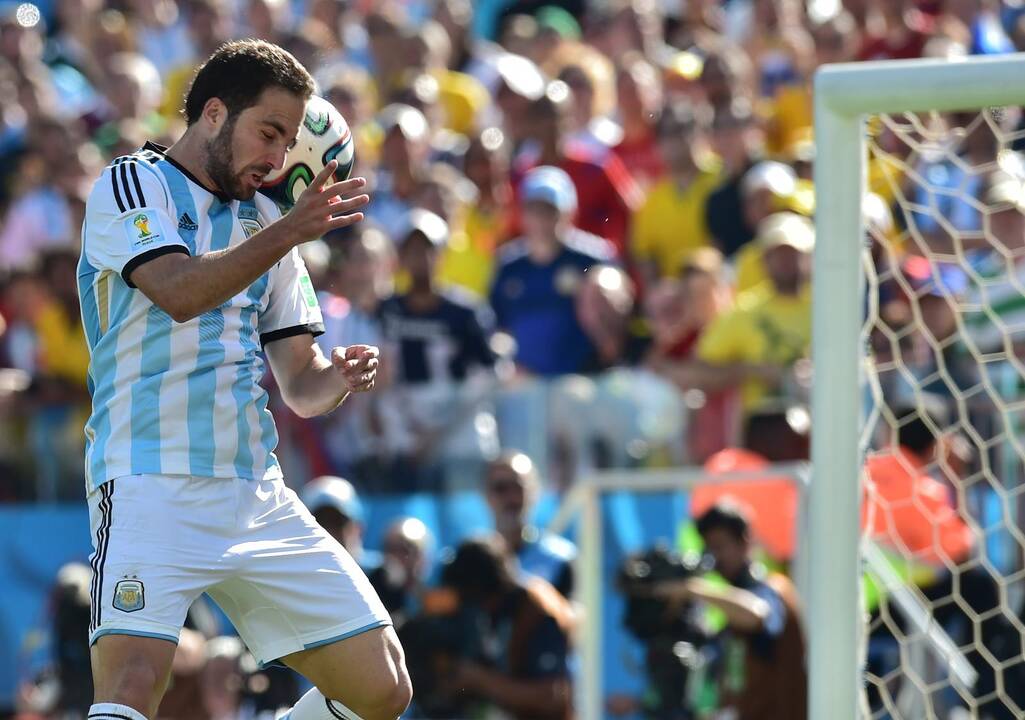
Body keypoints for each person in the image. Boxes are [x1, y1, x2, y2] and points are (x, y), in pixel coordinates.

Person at [77, 40, 410, 720]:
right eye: (269, 133)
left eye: (289, 141)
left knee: (381, 687)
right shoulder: (132, 185)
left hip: (253, 495)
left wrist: (336, 378)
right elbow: (177, 289)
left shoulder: (268, 225)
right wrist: (289, 233)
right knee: (132, 688)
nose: (279, 157)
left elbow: (301, 386)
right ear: (213, 115)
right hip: (147, 482)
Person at [376, 208, 498, 492]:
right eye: (412, 250)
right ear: (401, 258)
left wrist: (440, 431)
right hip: (408, 436)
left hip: (461, 437)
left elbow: (487, 379)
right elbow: (383, 377)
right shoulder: (388, 310)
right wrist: (409, 428)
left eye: (427, 249)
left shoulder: (466, 311)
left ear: (442, 254)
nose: (420, 259)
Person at [656, 501, 807, 720]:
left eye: (719, 546)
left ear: (745, 543)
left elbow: (756, 615)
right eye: (708, 548)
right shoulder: (731, 613)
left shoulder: (775, 591)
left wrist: (693, 590)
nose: (713, 558)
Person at [489, 165, 615, 376]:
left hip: (583, 381)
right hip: (525, 385)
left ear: (568, 213)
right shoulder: (509, 265)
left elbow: (615, 315)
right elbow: (497, 324)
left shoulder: (593, 259)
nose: (541, 220)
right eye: (534, 210)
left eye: (549, 211)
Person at [436, 536, 575, 720]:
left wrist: (479, 679)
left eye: (475, 599)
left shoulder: (539, 610)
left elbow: (552, 696)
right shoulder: (489, 609)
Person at [694, 211, 813, 419]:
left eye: (793, 253)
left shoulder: (829, 313)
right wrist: (752, 371)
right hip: (761, 432)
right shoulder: (744, 311)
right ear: (764, 259)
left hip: (822, 427)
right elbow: (701, 371)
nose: (786, 261)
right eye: (778, 254)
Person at [484, 451, 576, 598]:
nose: (511, 498)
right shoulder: (470, 562)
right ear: (485, 495)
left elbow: (573, 616)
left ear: (535, 492)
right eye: (500, 488)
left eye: (518, 487)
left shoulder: (559, 559)